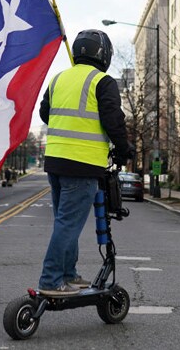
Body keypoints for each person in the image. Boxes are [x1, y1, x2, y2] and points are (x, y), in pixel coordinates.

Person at [38, 29, 132, 297]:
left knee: (64, 222)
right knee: (68, 224)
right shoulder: (103, 82)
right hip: (82, 164)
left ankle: (68, 274)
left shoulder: (58, 79)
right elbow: (114, 121)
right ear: (103, 54)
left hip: (55, 161)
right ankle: (51, 279)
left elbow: (45, 113)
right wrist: (125, 150)